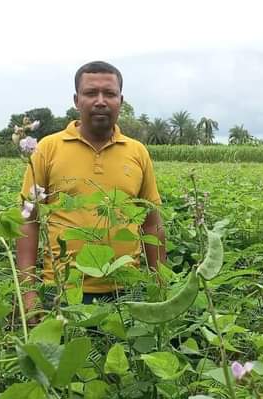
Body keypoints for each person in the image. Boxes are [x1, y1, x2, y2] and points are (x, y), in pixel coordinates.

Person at [16, 61, 167, 321]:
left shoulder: (137, 152)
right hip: (63, 292)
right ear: (77, 100)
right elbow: (28, 221)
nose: (100, 101)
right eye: (90, 93)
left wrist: (161, 287)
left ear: (121, 100)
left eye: (109, 93)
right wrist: (29, 293)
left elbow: (152, 224)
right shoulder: (47, 148)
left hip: (128, 291)